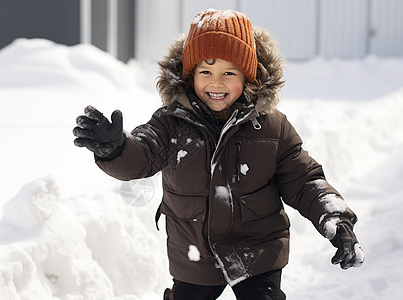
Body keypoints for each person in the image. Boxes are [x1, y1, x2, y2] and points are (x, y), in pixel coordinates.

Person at [73, 9, 364, 300]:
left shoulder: (273, 127)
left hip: (257, 251)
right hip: (194, 252)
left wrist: (336, 219)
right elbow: (142, 154)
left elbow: (304, 181)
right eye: (205, 72)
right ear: (190, 75)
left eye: (229, 72)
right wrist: (116, 149)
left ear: (249, 76)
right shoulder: (170, 122)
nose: (216, 83)